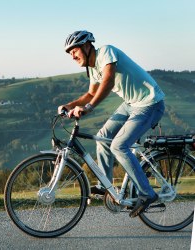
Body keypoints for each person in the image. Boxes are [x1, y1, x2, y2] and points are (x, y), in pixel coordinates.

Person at [58, 30, 165, 218]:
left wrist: (89, 108)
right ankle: (106, 184)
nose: (72, 55)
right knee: (102, 137)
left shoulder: (106, 52)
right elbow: (91, 93)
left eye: (74, 50)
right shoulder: (92, 69)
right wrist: (70, 105)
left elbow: (107, 81)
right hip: (131, 104)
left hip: (150, 103)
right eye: (69, 53)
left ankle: (147, 193)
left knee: (118, 146)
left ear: (86, 46)